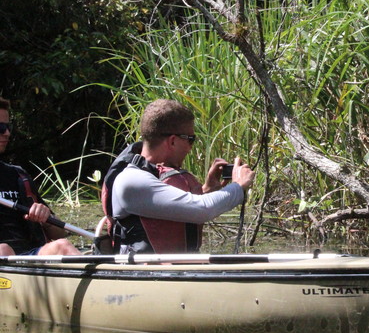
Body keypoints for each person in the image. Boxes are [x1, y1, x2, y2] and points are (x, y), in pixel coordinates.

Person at [101, 99, 255, 254]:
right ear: (173, 141)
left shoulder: (152, 175)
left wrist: (208, 190)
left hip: (173, 270)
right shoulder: (131, 180)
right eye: (190, 140)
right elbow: (202, 209)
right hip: (146, 274)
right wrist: (239, 185)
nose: (190, 149)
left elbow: (172, 209)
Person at [0, 97, 81, 256]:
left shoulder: (17, 175)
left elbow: (59, 234)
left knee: (62, 246)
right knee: (3, 250)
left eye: (8, 126)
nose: (7, 133)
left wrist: (46, 219)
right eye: (0, 127)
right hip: (4, 260)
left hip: (29, 259)